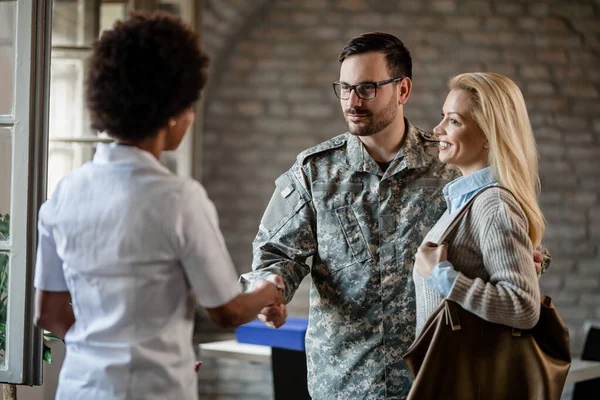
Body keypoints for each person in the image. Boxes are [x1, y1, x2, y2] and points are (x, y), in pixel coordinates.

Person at [240, 33, 548, 399]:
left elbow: (514, 238)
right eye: (345, 87)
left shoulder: (452, 161)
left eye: (367, 88)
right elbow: (277, 253)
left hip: (435, 377)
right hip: (344, 381)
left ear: (402, 90)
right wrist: (269, 290)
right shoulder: (314, 172)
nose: (352, 101)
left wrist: (531, 260)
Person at [33, 13, 284, 400]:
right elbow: (227, 312)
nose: (191, 115)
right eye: (189, 104)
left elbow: (47, 314)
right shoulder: (179, 199)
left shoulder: (65, 191)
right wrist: (270, 289)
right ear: (171, 110)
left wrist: (102, 352)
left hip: (79, 388)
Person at [413, 72, 543, 335]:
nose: (438, 130)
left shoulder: (492, 203)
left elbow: (523, 306)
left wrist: (441, 275)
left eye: (454, 121)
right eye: (443, 117)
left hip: (467, 375)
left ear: (488, 135)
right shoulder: (465, 200)